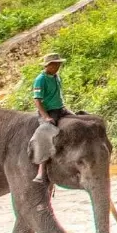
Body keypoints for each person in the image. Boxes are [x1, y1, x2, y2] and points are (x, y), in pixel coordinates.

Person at [29, 53, 69, 182]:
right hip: (48, 112)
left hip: (60, 109)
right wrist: (45, 117)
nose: (58, 67)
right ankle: (41, 171)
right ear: (49, 65)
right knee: (45, 134)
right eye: (56, 64)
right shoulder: (40, 79)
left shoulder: (56, 77)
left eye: (59, 64)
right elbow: (37, 100)